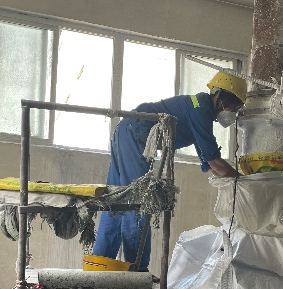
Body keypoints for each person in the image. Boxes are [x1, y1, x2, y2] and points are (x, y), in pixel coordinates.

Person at [91, 71, 247, 272]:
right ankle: (137, 272)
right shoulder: (201, 111)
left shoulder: (199, 108)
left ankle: (99, 266)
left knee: (116, 198)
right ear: (223, 99)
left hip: (125, 130)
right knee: (138, 200)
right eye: (235, 108)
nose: (234, 114)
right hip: (135, 133)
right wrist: (245, 182)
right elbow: (215, 163)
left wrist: (231, 178)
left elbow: (209, 164)